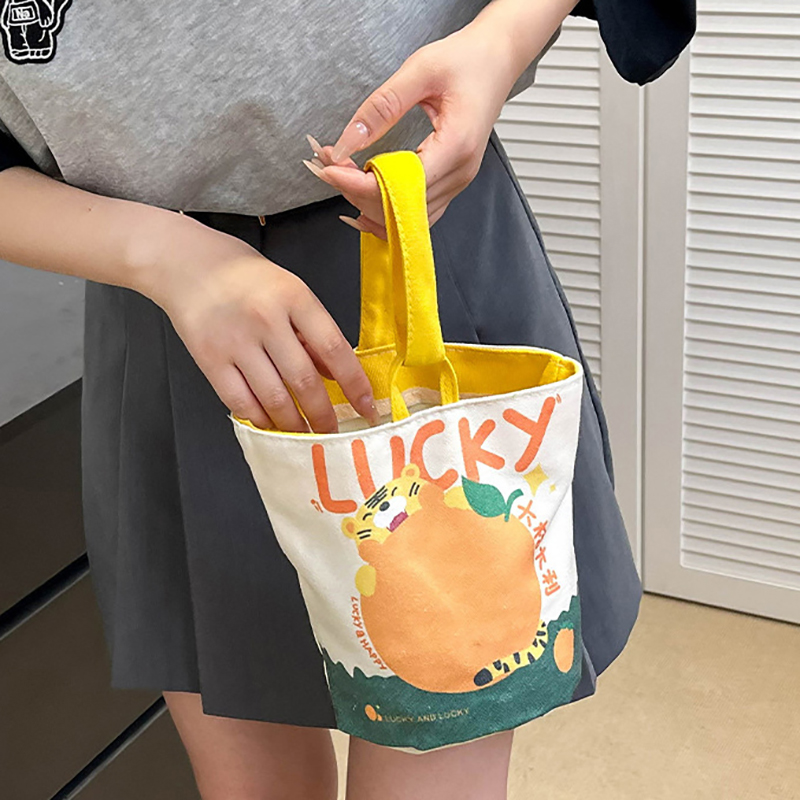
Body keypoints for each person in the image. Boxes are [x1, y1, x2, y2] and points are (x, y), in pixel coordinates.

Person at [0, 0, 695, 797]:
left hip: (416, 253)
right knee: (252, 778)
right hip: (168, 308)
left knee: (441, 719)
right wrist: (160, 256)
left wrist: (499, 42)